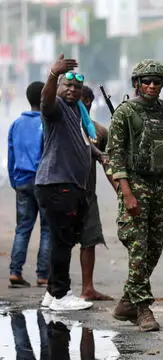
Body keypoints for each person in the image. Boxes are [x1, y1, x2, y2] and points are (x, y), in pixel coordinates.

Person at [107, 59, 163, 332]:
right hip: (135, 185)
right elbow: (116, 157)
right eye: (147, 81)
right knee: (138, 249)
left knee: (154, 247)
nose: (152, 86)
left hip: (159, 187)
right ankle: (143, 308)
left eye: (157, 82)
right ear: (137, 84)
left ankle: (126, 303)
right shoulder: (125, 113)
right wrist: (127, 193)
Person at [36, 54, 93, 311]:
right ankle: (61, 294)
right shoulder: (56, 107)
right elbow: (45, 103)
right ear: (59, 88)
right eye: (66, 85)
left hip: (68, 185)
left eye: (76, 87)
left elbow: (82, 144)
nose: (72, 90)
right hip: (58, 183)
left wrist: (100, 156)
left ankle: (51, 293)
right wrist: (52, 74)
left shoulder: (76, 113)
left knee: (63, 239)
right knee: (62, 241)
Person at [7, 81, 51, 289]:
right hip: (42, 181)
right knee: (47, 229)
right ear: (44, 98)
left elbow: (11, 155)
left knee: (22, 228)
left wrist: (14, 180)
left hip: (22, 181)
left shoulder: (16, 123)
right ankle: (42, 275)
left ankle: (15, 271)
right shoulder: (46, 122)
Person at [76, 85, 115, 301]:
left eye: (79, 97)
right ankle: (55, 290)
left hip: (88, 194)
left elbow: (107, 164)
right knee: (59, 241)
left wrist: (121, 190)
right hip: (64, 194)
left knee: (89, 240)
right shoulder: (64, 126)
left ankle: (87, 288)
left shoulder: (99, 132)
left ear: (89, 101)